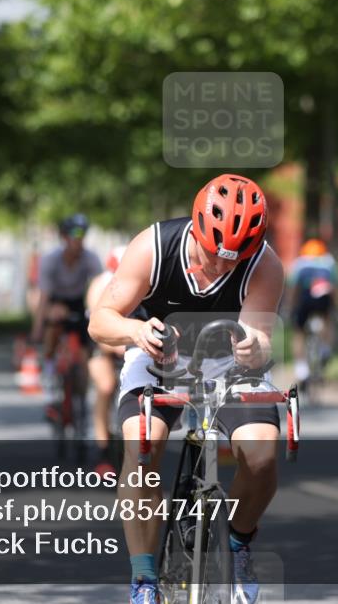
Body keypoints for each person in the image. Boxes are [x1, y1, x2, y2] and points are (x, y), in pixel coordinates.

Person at [89, 174, 284, 604]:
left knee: (264, 451)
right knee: (143, 443)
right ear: (196, 229)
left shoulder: (265, 264)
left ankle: (239, 543)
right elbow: (100, 321)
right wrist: (135, 330)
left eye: (234, 260)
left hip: (227, 364)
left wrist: (256, 347)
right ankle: (143, 579)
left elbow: (262, 336)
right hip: (158, 354)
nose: (221, 266)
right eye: (214, 255)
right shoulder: (154, 247)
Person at [30, 214, 102, 417]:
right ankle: (51, 387)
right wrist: (37, 329)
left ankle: (81, 393)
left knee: (85, 352)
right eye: (74, 234)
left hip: (79, 302)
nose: (78, 239)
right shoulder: (50, 260)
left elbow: (100, 288)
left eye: (82, 234)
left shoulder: (90, 258)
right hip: (55, 301)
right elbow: (43, 297)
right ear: (64, 237)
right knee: (52, 331)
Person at [86, 245, 129, 475]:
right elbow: (100, 331)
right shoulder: (99, 286)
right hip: (102, 345)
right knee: (106, 386)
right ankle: (102, 451)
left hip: (127, 344)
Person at [287, 238, 338, 384]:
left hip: (305, 298)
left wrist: (290, 307)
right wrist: (336, 307)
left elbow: (294, 287)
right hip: (324, 297)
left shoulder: (299, 263)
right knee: (327, 320)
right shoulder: (330, 263)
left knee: (298, 333)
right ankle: (325, 350)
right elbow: (335, 288)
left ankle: (301, 370)